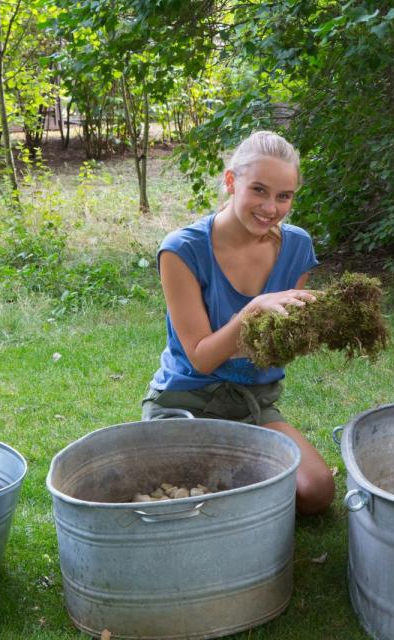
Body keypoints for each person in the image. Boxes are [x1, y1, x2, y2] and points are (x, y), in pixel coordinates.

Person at [141, 131, 335, 514]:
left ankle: (245, 483)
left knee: (316, 491)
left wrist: (316, 325)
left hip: (253, 403)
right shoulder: (182, 250)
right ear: (231, 182)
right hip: (188, 400)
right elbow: (202, 358)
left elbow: (272, 350)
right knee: (199, 495)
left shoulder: (297, 248)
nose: (271, 208)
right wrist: (253, 311)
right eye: (259, 190)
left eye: (284, 196)